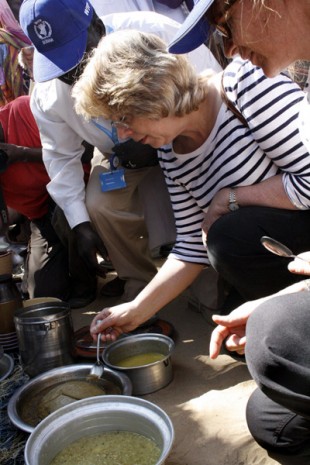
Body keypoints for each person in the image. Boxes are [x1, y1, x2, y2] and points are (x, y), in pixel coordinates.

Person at [71, 29, 310, 339]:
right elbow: (192, 244)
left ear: (152, 92)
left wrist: (231, 197)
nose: (123, 133)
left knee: (227, 237)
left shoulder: (245, 86)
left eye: (124, 117)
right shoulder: (169, 152)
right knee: (231, 335)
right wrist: (136, 310)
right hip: (282, 253)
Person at [168, 1, 310, 463]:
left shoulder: (252, 85)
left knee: (275, 338)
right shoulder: (170, 155)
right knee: (273, 421)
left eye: (224, 23)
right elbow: (192, 241)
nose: (228, 48)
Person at [19, 0, 221, 303]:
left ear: (97, 27)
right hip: (118, 157)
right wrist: (80, 224)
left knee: (209, 288)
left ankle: (210, 275)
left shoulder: (157, 33)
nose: (71, 74)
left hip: (189, 141)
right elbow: (60, 157)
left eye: (76, 58)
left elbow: (214, 93)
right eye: (58, 64)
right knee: (100, 204)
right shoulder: (48, 93)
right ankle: (140, 284)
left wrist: (167, 136)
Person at [0, 95, 97, 306]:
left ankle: (86, 279)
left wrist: (23, 154)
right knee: (45, 297)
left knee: (65, 216)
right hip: (41, 216)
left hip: (78, 189)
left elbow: (83, 152)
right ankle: (60, 261)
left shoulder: (24, 110)